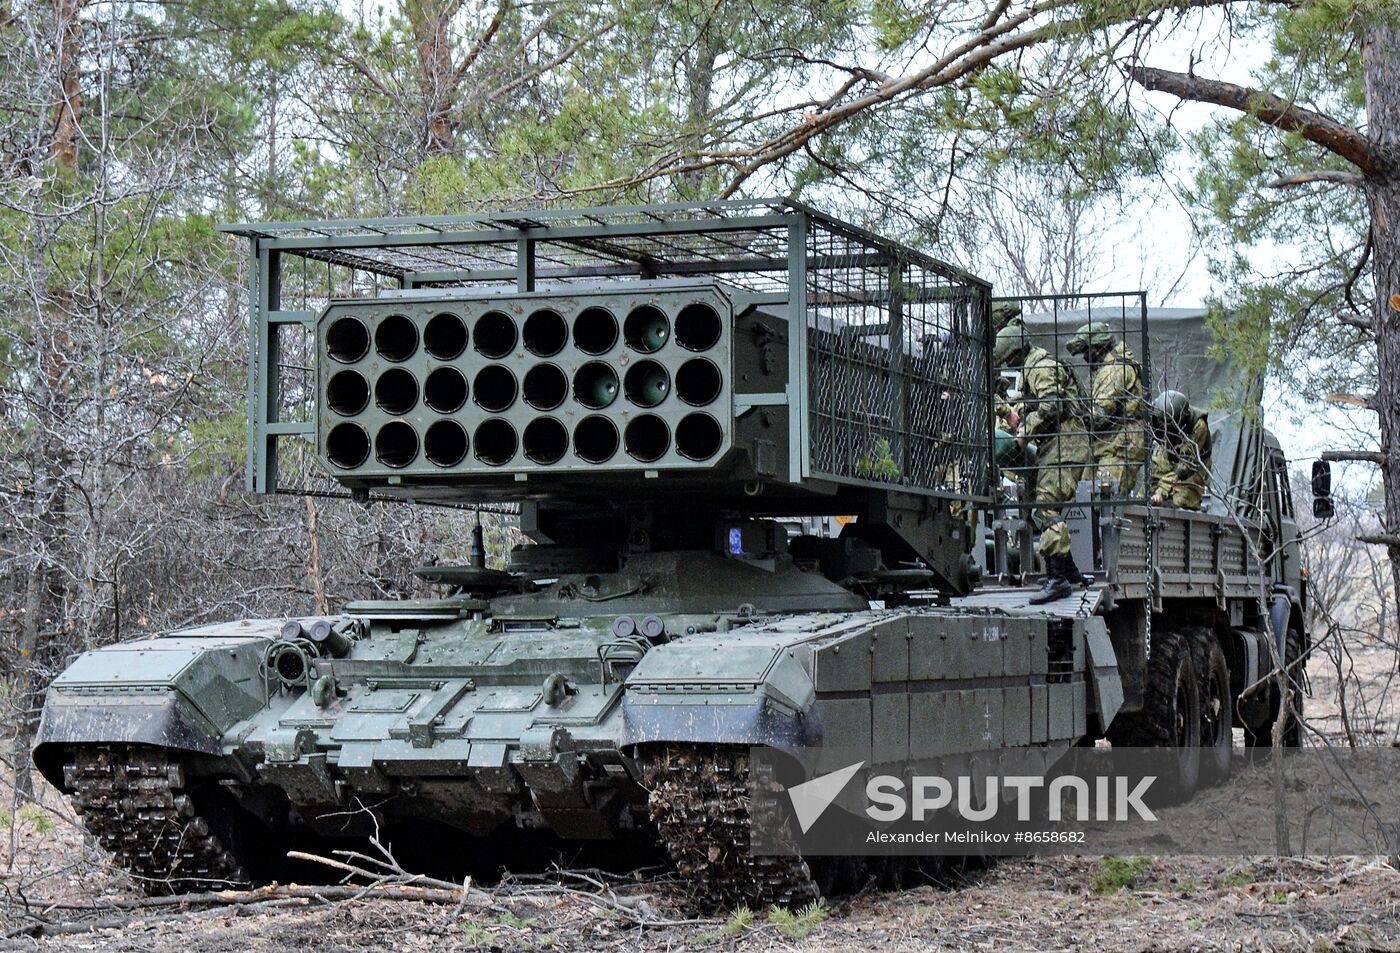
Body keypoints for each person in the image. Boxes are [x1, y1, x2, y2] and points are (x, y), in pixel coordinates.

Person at [993, 325, 1088, 604]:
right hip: (1055, 445)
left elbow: (1051, 406)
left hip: (1066, 446)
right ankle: (1068, 573)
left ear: (1017, 351)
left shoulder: (1042, 367)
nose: (1009, 364)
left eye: (1009, 358)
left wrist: (1024, 432)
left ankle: (1058, 580)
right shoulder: (1032, 369)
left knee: (1046, 507)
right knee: (1040, 509)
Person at [1066, 321, 1147, 495]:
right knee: (1084, 495)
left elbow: (1099, 416)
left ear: (1098, 347)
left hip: (1121, 446)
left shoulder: (1114, 370)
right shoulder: (1102, 370)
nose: (1084, 356)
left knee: (1104, 499)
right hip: (1106, 444)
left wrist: (1070, 410)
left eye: (1086, 350)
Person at [1150, 390, 1212, 509]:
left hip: (1194, 464)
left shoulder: (1198, 425)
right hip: (1168, 451)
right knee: (1147, 492)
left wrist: (1162, 491)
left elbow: (1186, 465)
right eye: (1161, 421)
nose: (1164, 426)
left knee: (1181, 500)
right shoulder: (1155, 413)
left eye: (1168, 423)